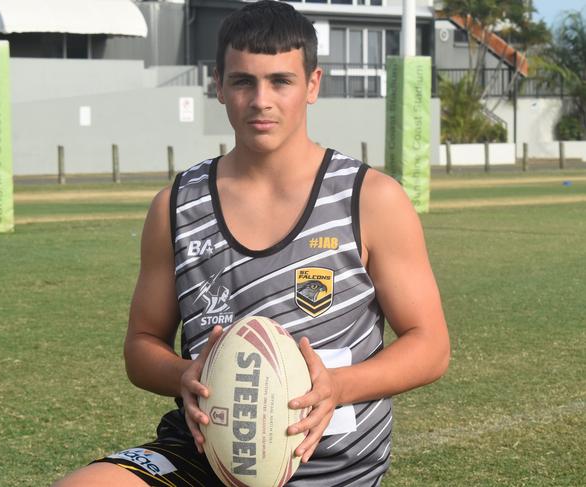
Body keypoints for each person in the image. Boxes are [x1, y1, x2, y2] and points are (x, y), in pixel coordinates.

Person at [53, 1, 449, 485]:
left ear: (313, 85)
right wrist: (183, 374)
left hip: (327, 466)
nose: (261, 99)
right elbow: (141, 346)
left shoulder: (370, 199)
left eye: (281, 81)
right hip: (204, 454)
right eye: (243, 81)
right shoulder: (176, 206)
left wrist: (338, 387)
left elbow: (430, 346)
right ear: (218, 86)